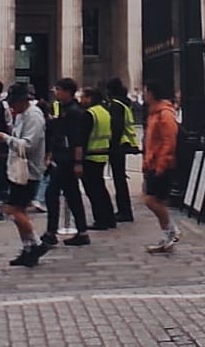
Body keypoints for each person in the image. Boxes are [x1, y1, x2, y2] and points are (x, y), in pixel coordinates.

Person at [0, 83, 49, 265]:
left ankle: (38, 244)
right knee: (19, 211)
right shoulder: (21, 115)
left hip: (29, 171)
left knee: (13, 210)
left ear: (23, 100)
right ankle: (28, 248)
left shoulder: (34, 116)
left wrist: (5, 138)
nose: (12, 106)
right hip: (18, 169)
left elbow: (28, 145)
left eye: (14, 102)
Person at [44, 79, 93, 247]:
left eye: (58, 89)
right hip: (62, 158)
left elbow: (77, 140)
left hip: (68, 160)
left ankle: (55, 232)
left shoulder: (75, 112)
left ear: (67, 91)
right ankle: (76, 231)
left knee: (59, 195)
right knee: (68, 195)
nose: (55, 92)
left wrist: (78, 162)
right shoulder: (66, 110)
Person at [140, 81, 183, 254]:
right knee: (159, 202)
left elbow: (169, 141)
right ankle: (167, 234)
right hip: (154, 162)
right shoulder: (153, 114)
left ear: (152, 93)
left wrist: (161, 163)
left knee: (151, 201)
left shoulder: (164, 114)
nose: (144, 95)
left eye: (146, 92)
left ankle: (171, 231)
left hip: (162, 164)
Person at [77, 84, 118, 229]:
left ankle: (100, 220)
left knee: (93, 191)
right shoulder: (104, 111)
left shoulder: (89, 114)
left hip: (90, 155)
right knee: (101, 189)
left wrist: (78, 160)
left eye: (83, 97)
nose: (81, 100)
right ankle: (109, 218)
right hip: (102, 154)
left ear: (89, 98)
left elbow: (82, 138)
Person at [103, 79, 138, 223]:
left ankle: (124, 211)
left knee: (119, 180)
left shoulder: (116, 105)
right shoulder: (124, 103)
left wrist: (112, 146)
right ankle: (124, 210)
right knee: (120, 179)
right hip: (125, 144)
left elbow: (116, 128)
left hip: (119, 145)